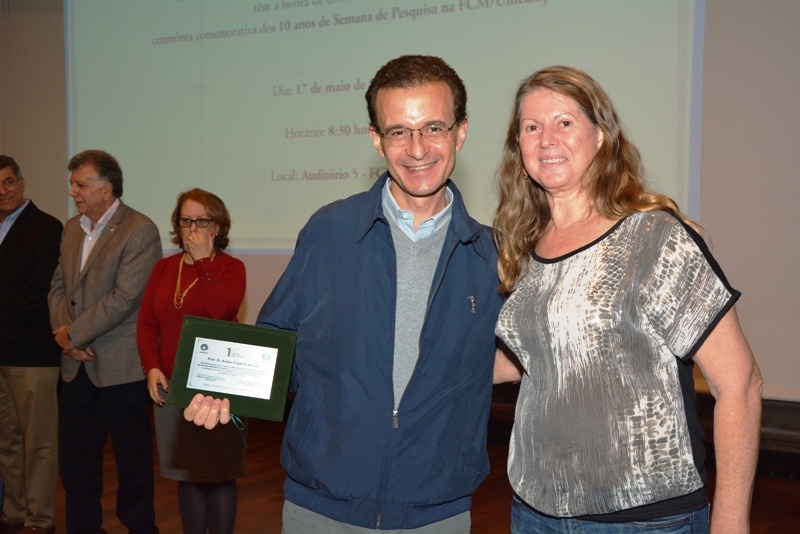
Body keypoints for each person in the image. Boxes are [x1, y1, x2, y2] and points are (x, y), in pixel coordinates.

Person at [186, 55, 505, 532]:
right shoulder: (329, 231)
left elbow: (511, 359)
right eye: (398, 131)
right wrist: (224, 392)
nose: (417, 148)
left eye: (433, 127)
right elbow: (277, 341)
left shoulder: (492, 255)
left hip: (437, 510)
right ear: (376, 140)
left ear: (461, 132)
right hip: (321, 506)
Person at [492, 66, 763, 533]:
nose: (546, 138)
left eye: (565, 122)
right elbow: (536, 358)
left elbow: (740, 385)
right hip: (535, 513)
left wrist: (731, 521)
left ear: (600, 136)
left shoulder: (654, 237)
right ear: (518, 146)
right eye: (531, 127)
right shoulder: (523, 246)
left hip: (645, 520)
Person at [48, 149, 161, 534]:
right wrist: (67, 338)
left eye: (80, 184)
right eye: (72, 183)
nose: (72, 192)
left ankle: (139, 528)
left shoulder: (139, 229)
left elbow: (125, 297)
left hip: (120, 366)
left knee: (133, 461)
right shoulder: (70, 229)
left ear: (106, 188)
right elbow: (58, 288)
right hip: (75, 367)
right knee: (76, 462)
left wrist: (73, 333)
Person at [137, 189, 246, 534]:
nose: (193, 228)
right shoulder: (164, 268)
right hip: (173, 384)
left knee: (218, 475)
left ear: (217, 226)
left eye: (202, 221)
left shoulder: (231, 267)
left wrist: (202, 261)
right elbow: (146, 323)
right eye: (186, 221)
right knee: (186, 475)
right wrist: (151, 366)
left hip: (219, 388)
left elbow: (221, 310)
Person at [0, 156, 63, 534]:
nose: (2, 191)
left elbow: (39, 291)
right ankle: (13, 513)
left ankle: (40, 520)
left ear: (22, 184)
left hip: (33, 354)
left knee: (38, 443)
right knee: (5, 441)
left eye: (8, 182)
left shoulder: (46, 227)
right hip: (1, 353)